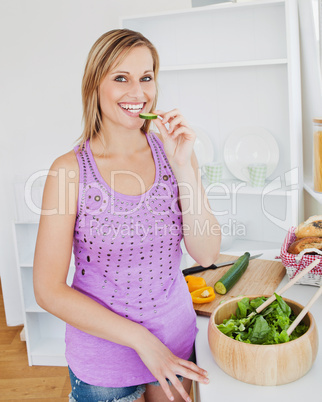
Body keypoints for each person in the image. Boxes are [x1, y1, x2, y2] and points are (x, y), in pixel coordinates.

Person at [33, 28, 221, 402]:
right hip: (106, 365)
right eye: (121, 78)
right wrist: (141, 341)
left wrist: (184, 167)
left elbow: (208, 254)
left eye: (146, 78)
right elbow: (48, 290)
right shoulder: (69, 171)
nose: (138, 93)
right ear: (94, 85)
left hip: (176, 344)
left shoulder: (174, 152)